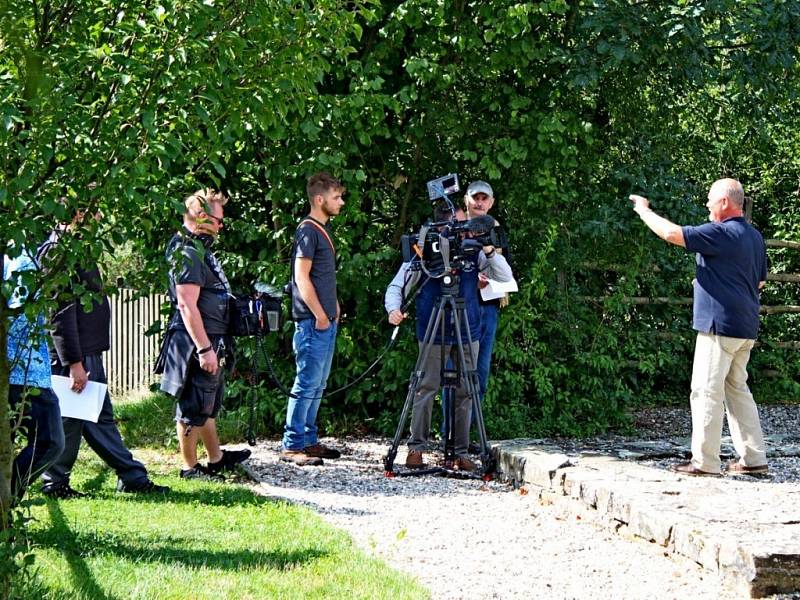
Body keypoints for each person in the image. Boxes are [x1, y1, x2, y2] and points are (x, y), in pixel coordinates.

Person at [630, 178, 769, 476]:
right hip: (745, 326)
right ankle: (754, 458)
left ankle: (705, 462)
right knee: (737, 390)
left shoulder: (721, 233)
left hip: (719, 326)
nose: (706, 204)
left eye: (710, 199)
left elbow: (670, 233)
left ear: (724, 203)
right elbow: (759, 282)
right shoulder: (755, 237)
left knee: (706, 391)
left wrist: (643, 210)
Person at [39, 211, 168, 497]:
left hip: (88, 352)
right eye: (93, 211)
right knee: (70, 421)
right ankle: (54, 482)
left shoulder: (76, 249)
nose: (99, 216)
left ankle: (132, 476)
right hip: (77, 357)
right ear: (76, 213)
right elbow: (59, 312)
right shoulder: (58, 252)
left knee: (99, 419)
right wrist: (74, 362)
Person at [385, 205, 513, 471]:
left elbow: (504, 277)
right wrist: (393, 309)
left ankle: (461, 452)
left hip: (468, 329)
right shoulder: (425, 253)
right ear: (443, 227)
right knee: (425, 386)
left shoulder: (473, 252)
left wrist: (488, 248)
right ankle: (416, 448)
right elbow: (399, 284)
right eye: (459, 227)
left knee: (467, 391)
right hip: (434, 329)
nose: (465, 232)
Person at [159, 188, 250, 479]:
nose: (221, 226)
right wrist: (203, 348)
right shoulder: (186, 250)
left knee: (207, 403)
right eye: (218, 219)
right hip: (197, 340)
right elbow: (186, 304)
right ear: (201, 216)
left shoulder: (198, 247)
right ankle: (189, 467)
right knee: (193, 405)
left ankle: (216, 457)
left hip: (213, 336)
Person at [280, 172, 345, 467]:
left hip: (325, 320)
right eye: (336, 197)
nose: (341, 202)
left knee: (318, 384)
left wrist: (333, 307)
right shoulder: (308, 230)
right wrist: (320, 313)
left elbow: (321, 277)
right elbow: (301, 277)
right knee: (306, 382)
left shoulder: (321, 230)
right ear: (319, 200)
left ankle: (308, 439)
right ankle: (292, 445)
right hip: (312, 321)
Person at [441, 181, 512, 442]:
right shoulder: (454, 227)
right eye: (475, 198)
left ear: (492, 202)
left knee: (479, 376)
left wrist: (489, 281)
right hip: (458, 308)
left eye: (485, 198)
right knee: (453, 374)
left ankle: (465, 438)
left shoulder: (497, 231)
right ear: (467, 201)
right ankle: (447, 434)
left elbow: (506, 273)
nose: (480, 203)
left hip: (488, 307)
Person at [4, 246, 65, 502]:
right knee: (50, 443)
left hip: (21, 370)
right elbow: (20, 320)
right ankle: (6, 501)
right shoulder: (22, 261)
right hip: (26, 372)